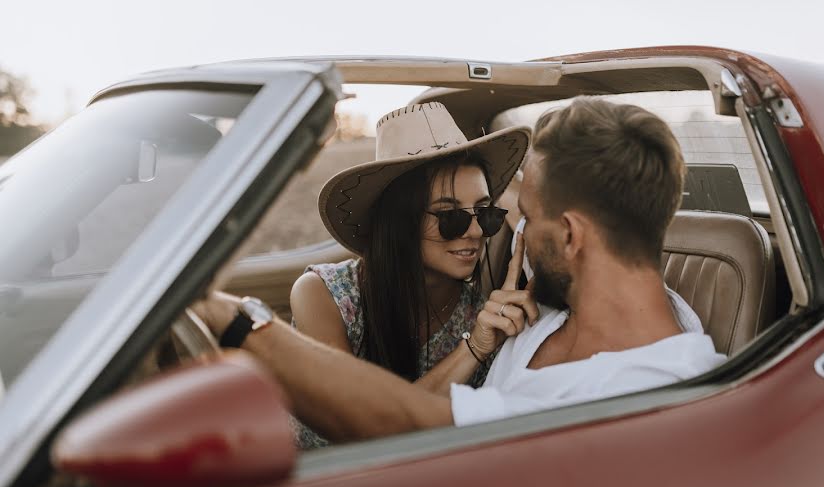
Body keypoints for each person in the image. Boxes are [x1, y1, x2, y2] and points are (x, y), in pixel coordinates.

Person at [196, 95, 726, 441]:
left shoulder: (606, 396)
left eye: (516, 217)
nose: (495, 231)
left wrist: (233, 318)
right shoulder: (561, 311)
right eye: (454, 219)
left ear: (569, 235)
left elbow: (400, 429)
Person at [292, 102, 529, 384]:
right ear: (400, 221)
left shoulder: (482, 317)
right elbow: (356, 422)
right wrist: (473, 348)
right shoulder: (325, 294)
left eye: (484, 212)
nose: (476, 230)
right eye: (449, 216)